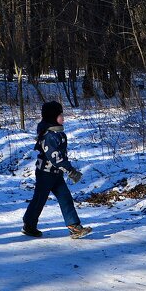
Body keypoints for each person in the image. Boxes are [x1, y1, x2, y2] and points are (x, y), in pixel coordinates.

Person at [22, 100, 92, 239]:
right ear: (52, 117)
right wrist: (71, 171)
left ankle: (74, 226)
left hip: (56, 174)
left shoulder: (58, 133)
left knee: (66, 198)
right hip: (45, 174)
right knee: (39, 200)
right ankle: (29, 225)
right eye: (60, 115)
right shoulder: (49, 136)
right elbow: (56, 158)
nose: (63, 118)